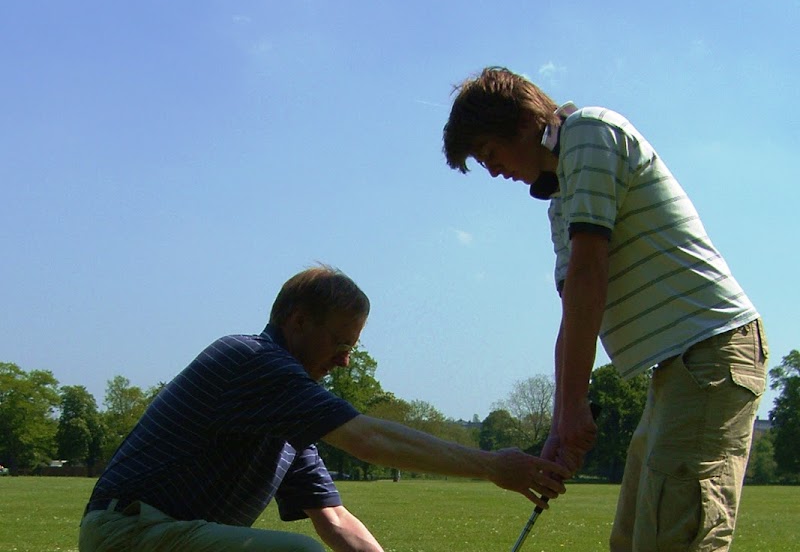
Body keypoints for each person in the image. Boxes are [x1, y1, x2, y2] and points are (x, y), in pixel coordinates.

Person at [442, 66, 768, 552]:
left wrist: (575, 406)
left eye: (489, 152)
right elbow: (575, 308)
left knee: (671, 539)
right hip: (677, 369)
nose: (493, 170)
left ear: (526, 120)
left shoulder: (590, 133)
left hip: (713, 352)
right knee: (632, 540)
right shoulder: (558, 203)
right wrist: (560, 422)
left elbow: (591, 270)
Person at [80, 265, 568, 552]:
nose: (345, 359)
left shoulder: (287, 417)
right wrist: (492, 466)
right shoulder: (252, 361)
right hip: (129, 531)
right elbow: (368, 439)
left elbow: (334, 519)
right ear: (296, 322)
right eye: (338, 341)